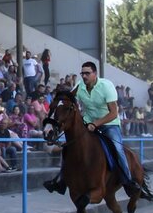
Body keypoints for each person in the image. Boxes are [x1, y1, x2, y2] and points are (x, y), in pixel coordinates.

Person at [45, 61, 147, 195]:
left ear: (95, 74)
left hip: (109, 124)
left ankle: (128, 181)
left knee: (117, 149)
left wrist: (96, 124)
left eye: (87, 73)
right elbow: (67, 99)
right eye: (83, 73)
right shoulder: (80, 86)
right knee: (69, 147)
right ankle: (61, 182)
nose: (84, 76)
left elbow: (113, 113)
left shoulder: (106, 86)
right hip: (88, 122)